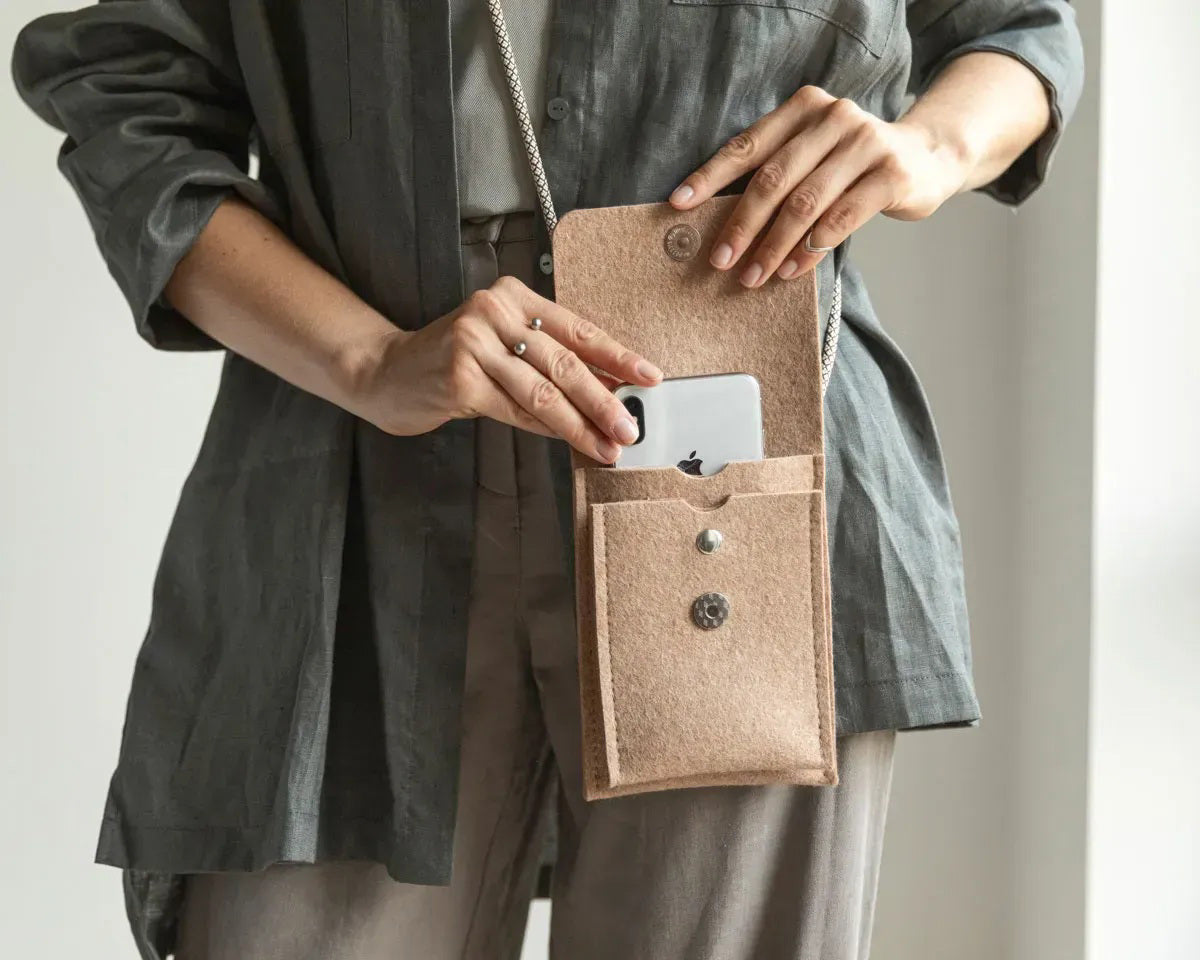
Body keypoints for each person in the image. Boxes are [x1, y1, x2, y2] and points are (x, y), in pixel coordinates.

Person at [11, 1, 1084, 958]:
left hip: (743, 451)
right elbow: (129, 93)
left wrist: (927, 148)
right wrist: (368, 357)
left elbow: (1019, 30)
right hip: (356, 454)